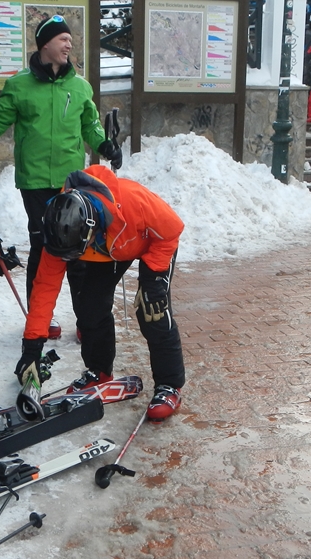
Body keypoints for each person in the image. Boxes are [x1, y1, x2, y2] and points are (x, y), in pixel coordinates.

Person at [0, 15, 121, 338]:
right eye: (62, 39)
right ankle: (40, 318)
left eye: (70, 40)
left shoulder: (80, 86)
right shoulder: (19, 85)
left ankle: (86, 320)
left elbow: (90, 126)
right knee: (44, 248)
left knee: (78, 252)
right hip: (34, 182)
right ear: (45, 43)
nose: (69, 44)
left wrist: (105, 144)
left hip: (71, 182)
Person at [13, 165, 186, 421]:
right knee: (90, 307)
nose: (69, 260)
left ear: (90, 228)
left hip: (150, 244)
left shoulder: (133, 202)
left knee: (152, 312)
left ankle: (169, 385)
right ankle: (100, 371)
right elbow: (44, 290)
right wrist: (31, 348)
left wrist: (153, 282)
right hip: (107, 249)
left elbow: (172, 229)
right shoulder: (60, 230)